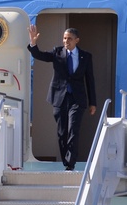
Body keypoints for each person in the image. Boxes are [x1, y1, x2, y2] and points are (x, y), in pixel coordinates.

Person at [28, 24, 97, 171]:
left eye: (69, 39)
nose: (66, 41)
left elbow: (90, 80)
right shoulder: (57, 52)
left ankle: (70, 163)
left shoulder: (86, 56)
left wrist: (93, 103)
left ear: (77, 40)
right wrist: (33, 43)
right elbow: (40, 55)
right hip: (59, 98)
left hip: (77, 99)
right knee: (62, 131)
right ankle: (66, 161)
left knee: (74, 130)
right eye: (64, 38)